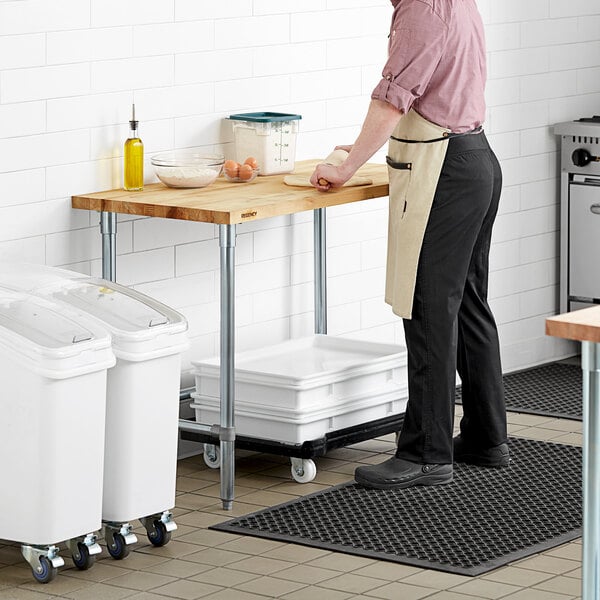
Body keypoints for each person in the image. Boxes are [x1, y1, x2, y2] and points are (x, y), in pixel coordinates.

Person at [310, 0, 509, 490]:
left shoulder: (422, 9)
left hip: (443, 174)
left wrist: (346, 166)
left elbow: (391, 100)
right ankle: (486, 437)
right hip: (474, 160)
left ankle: (425, 453)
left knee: (428, 309)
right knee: (466, 306)